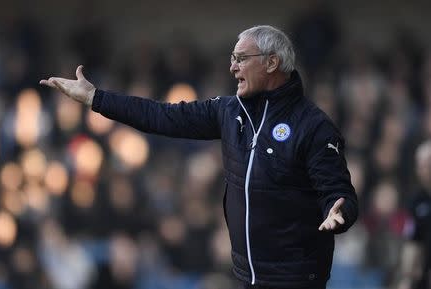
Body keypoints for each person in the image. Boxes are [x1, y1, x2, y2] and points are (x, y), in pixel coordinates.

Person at [40, 25, 358, 289]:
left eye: (241, 59)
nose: (232, 67)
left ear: (271, 63)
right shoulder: (229, 111)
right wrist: (97, 98)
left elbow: (339, 194)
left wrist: (339, 212)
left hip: (296, 279)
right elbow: (161, 116)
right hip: (245, 277)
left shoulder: (313, 126)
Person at [396, 140, 431, 289]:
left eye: (427, 164)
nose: (423, 170)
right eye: (420, 165)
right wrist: (406, 277)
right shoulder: (416, 201)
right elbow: (412, 240)